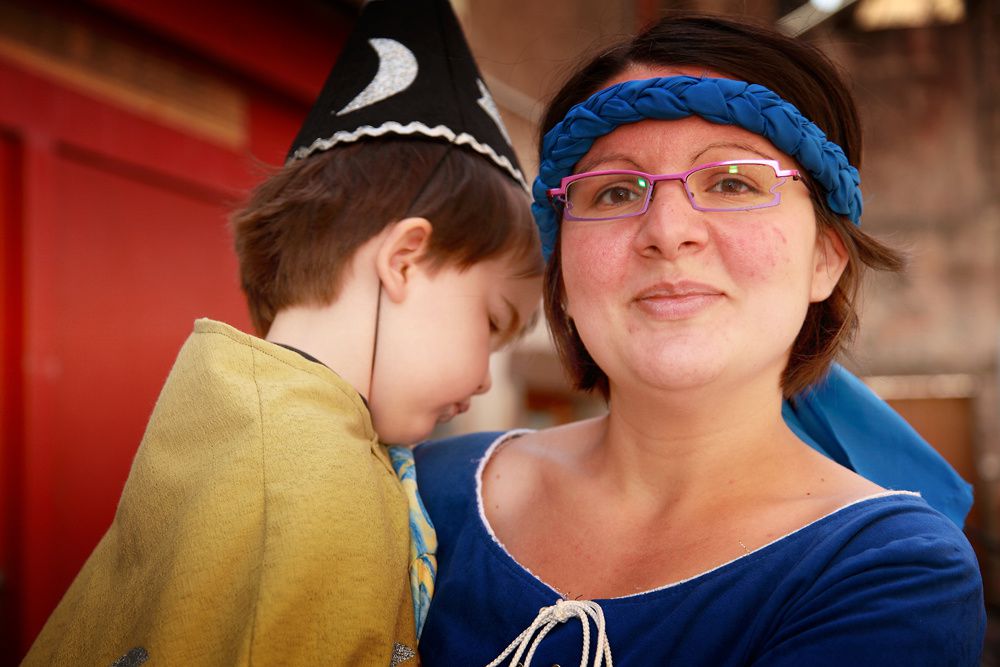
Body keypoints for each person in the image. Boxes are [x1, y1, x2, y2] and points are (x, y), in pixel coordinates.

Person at [415, 12, 985, 666]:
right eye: (615, 190)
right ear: (563, 264)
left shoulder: (890, 571)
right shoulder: (426, 494)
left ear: (826, 258)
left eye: (732, 181)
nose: (668, 229)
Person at [23, 0, 541, 665]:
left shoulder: (220, 415)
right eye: (493, 322)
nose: (483, 376)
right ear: (405, 260)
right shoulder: (322, 486)